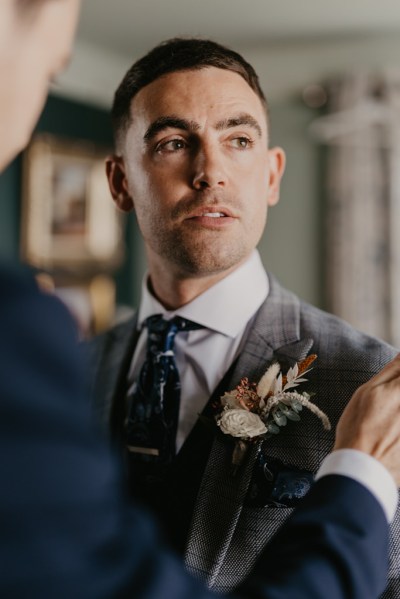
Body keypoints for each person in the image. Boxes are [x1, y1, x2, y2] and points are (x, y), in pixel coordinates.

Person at [1, 3, 400, 598]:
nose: (212, 170)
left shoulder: (373, 388)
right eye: (172, 142)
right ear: (118, 182)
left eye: (238, 139)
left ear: (271, 175)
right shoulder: (64, 372)